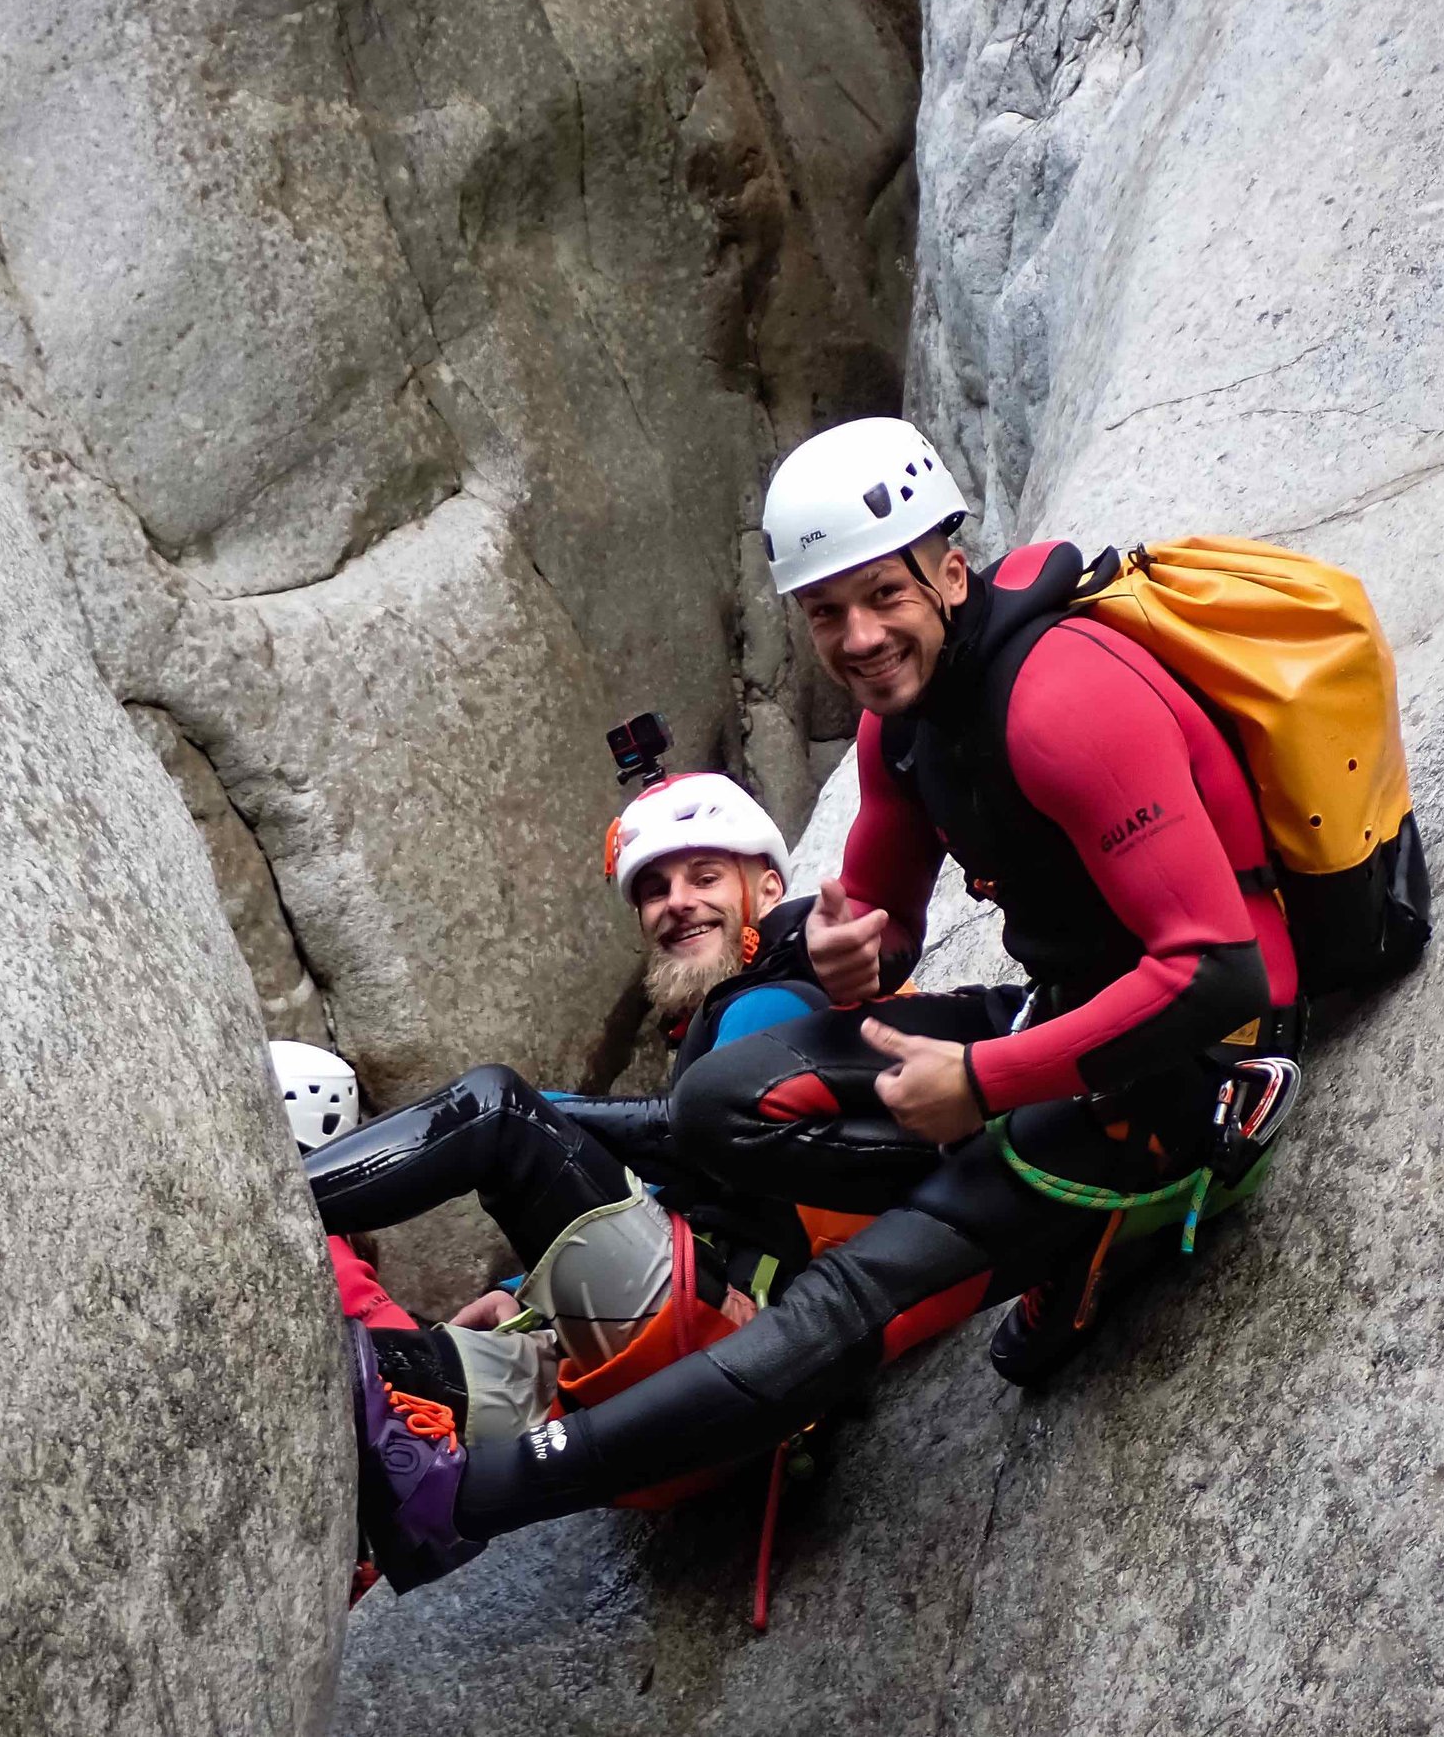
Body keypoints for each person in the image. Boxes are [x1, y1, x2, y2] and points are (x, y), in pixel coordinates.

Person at [355, 414, 1306, 1589]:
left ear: (948, 570)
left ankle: (467, 1497)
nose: (857, 636)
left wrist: (981, 1087)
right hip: (1062, 1010)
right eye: (824, 612)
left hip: (1194, 1059)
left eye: (881, 597)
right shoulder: (900, 727)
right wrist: (870, 953)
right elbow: (883, 917)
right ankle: (1000, 1206)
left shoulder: (1063, 700)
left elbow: (1221, 972)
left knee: (853, 1294)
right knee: (716, 1107)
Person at [319, 769, 843, 1589]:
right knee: (391, 1373)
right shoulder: (731, 1011)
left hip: (728, 1339)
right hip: (695, 1396)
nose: (677, 902)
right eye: (656, 889)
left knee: (496, 1112)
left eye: (706, 877)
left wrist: (551, 1115)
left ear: (767, 888)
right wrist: (527, 1286)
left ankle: (270, 1212)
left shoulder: (774, 994)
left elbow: (715, 1151)